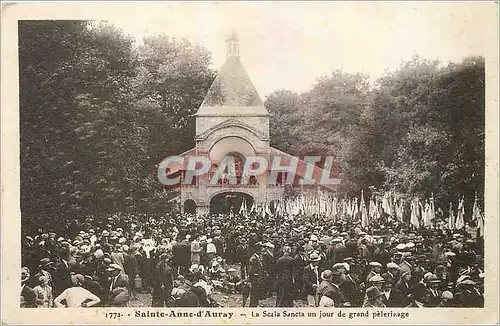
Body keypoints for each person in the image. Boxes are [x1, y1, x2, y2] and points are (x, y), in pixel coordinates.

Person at [248, 242, 265, 307]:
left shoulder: (257, 257)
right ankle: (253, 305)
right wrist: (256, 276)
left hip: (257, 278)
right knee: (254, 293)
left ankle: (255, 304)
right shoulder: (254, 259)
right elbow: (251, 270)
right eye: (261, 249)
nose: (262, 250)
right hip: (255, 279)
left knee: (256, 293)